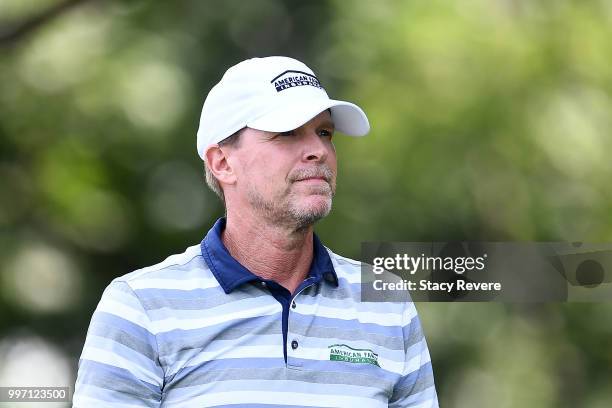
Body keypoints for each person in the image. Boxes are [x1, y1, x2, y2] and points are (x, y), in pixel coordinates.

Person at [73, 56, 439, 407]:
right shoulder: (141, 308)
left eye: (324, 132)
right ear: (223, 163)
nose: (318, 150)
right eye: (287, 133)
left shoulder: (387, 304)